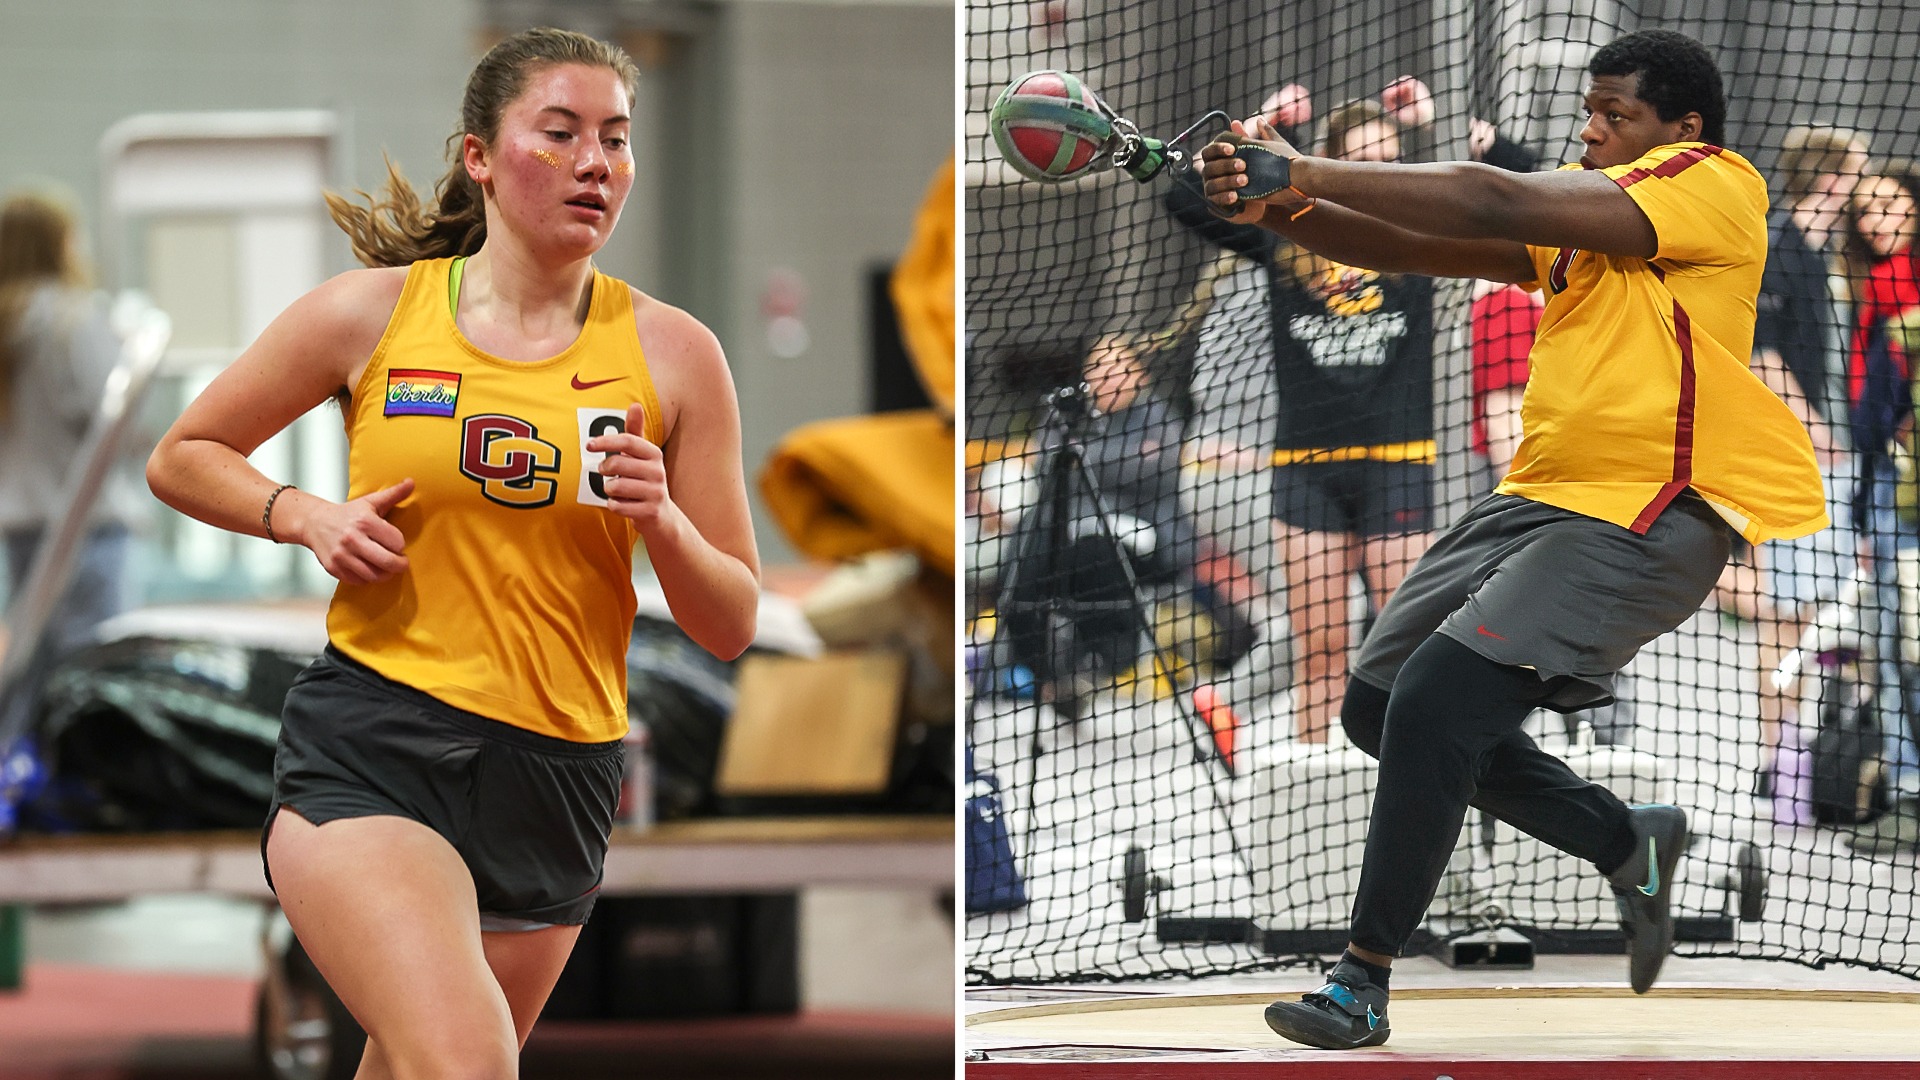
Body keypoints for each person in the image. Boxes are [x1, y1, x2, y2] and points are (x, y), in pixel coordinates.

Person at [145, 28, 759, 1077]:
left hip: (559, 774)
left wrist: (663, 521)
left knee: (414, 1066)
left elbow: (731, 622)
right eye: (559, 133)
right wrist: (303, 515)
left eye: (615, 139)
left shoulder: (675, 354)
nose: (594, 163)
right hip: (376, 748)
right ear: (479, 155)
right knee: (467, 1063)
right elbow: (184, 454)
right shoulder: (373, 315)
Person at [1200, 29, 1824, 1048]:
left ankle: (1360, 981)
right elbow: (1414, 245)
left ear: (1684, 127)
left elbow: (1489, 196)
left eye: (1617, 113)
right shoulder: (1588, 224)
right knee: (1377, 708)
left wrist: (1300, 167)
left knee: (1438, 701)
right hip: (1538, 496)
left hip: (1648, 511)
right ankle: (1626, 842)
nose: (1593, 129)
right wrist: (1281, 210)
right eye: (1591, 111)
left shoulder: (1716, 184)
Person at [0, 191, 140, 734]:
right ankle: (83, 768)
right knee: (92, 665)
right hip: (85, 524)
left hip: (23, 523)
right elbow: (120, 416)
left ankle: (23, 761)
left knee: (32, 661)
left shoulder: (8, 325)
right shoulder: (73, 320)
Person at [1838, 165, 1920, 852]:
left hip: (1905, 494)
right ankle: (1907, 794)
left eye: (1890, 204)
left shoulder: (1898, 295)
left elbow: (1876, 414)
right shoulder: (1876, 292)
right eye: (1866, 209)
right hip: (1891, 493)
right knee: (1892, 648)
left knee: (1903, 650)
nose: (1876, 220)